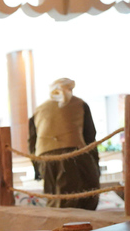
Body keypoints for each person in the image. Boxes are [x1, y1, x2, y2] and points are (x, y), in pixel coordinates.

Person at [28, 78, 101, 210]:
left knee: (55, 199)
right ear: (71, 89)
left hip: (45, 159)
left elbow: (32, 141)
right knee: (84, 196)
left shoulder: (39, 109)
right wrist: (95, 165)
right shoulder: (80, 104)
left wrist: (37, 169)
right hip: (73, 156)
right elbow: (90, 137)